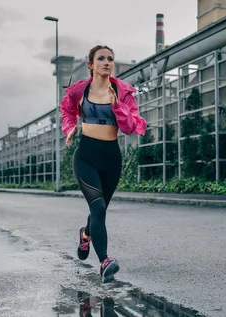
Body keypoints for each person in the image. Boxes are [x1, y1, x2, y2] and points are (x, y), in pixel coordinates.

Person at [60, 45, 147, 283]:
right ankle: (105, 261)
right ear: (91, 65)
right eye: (101, 58)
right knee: (97, 209)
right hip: (86, 156)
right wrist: (70, 129)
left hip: (111, 158)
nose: (107, 62)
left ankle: (86, 233)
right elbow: (67, 110)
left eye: (110, 59)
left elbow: (130, 127)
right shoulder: (81, 90)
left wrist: (116, 104)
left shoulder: (123, 91)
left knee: (99, 210)